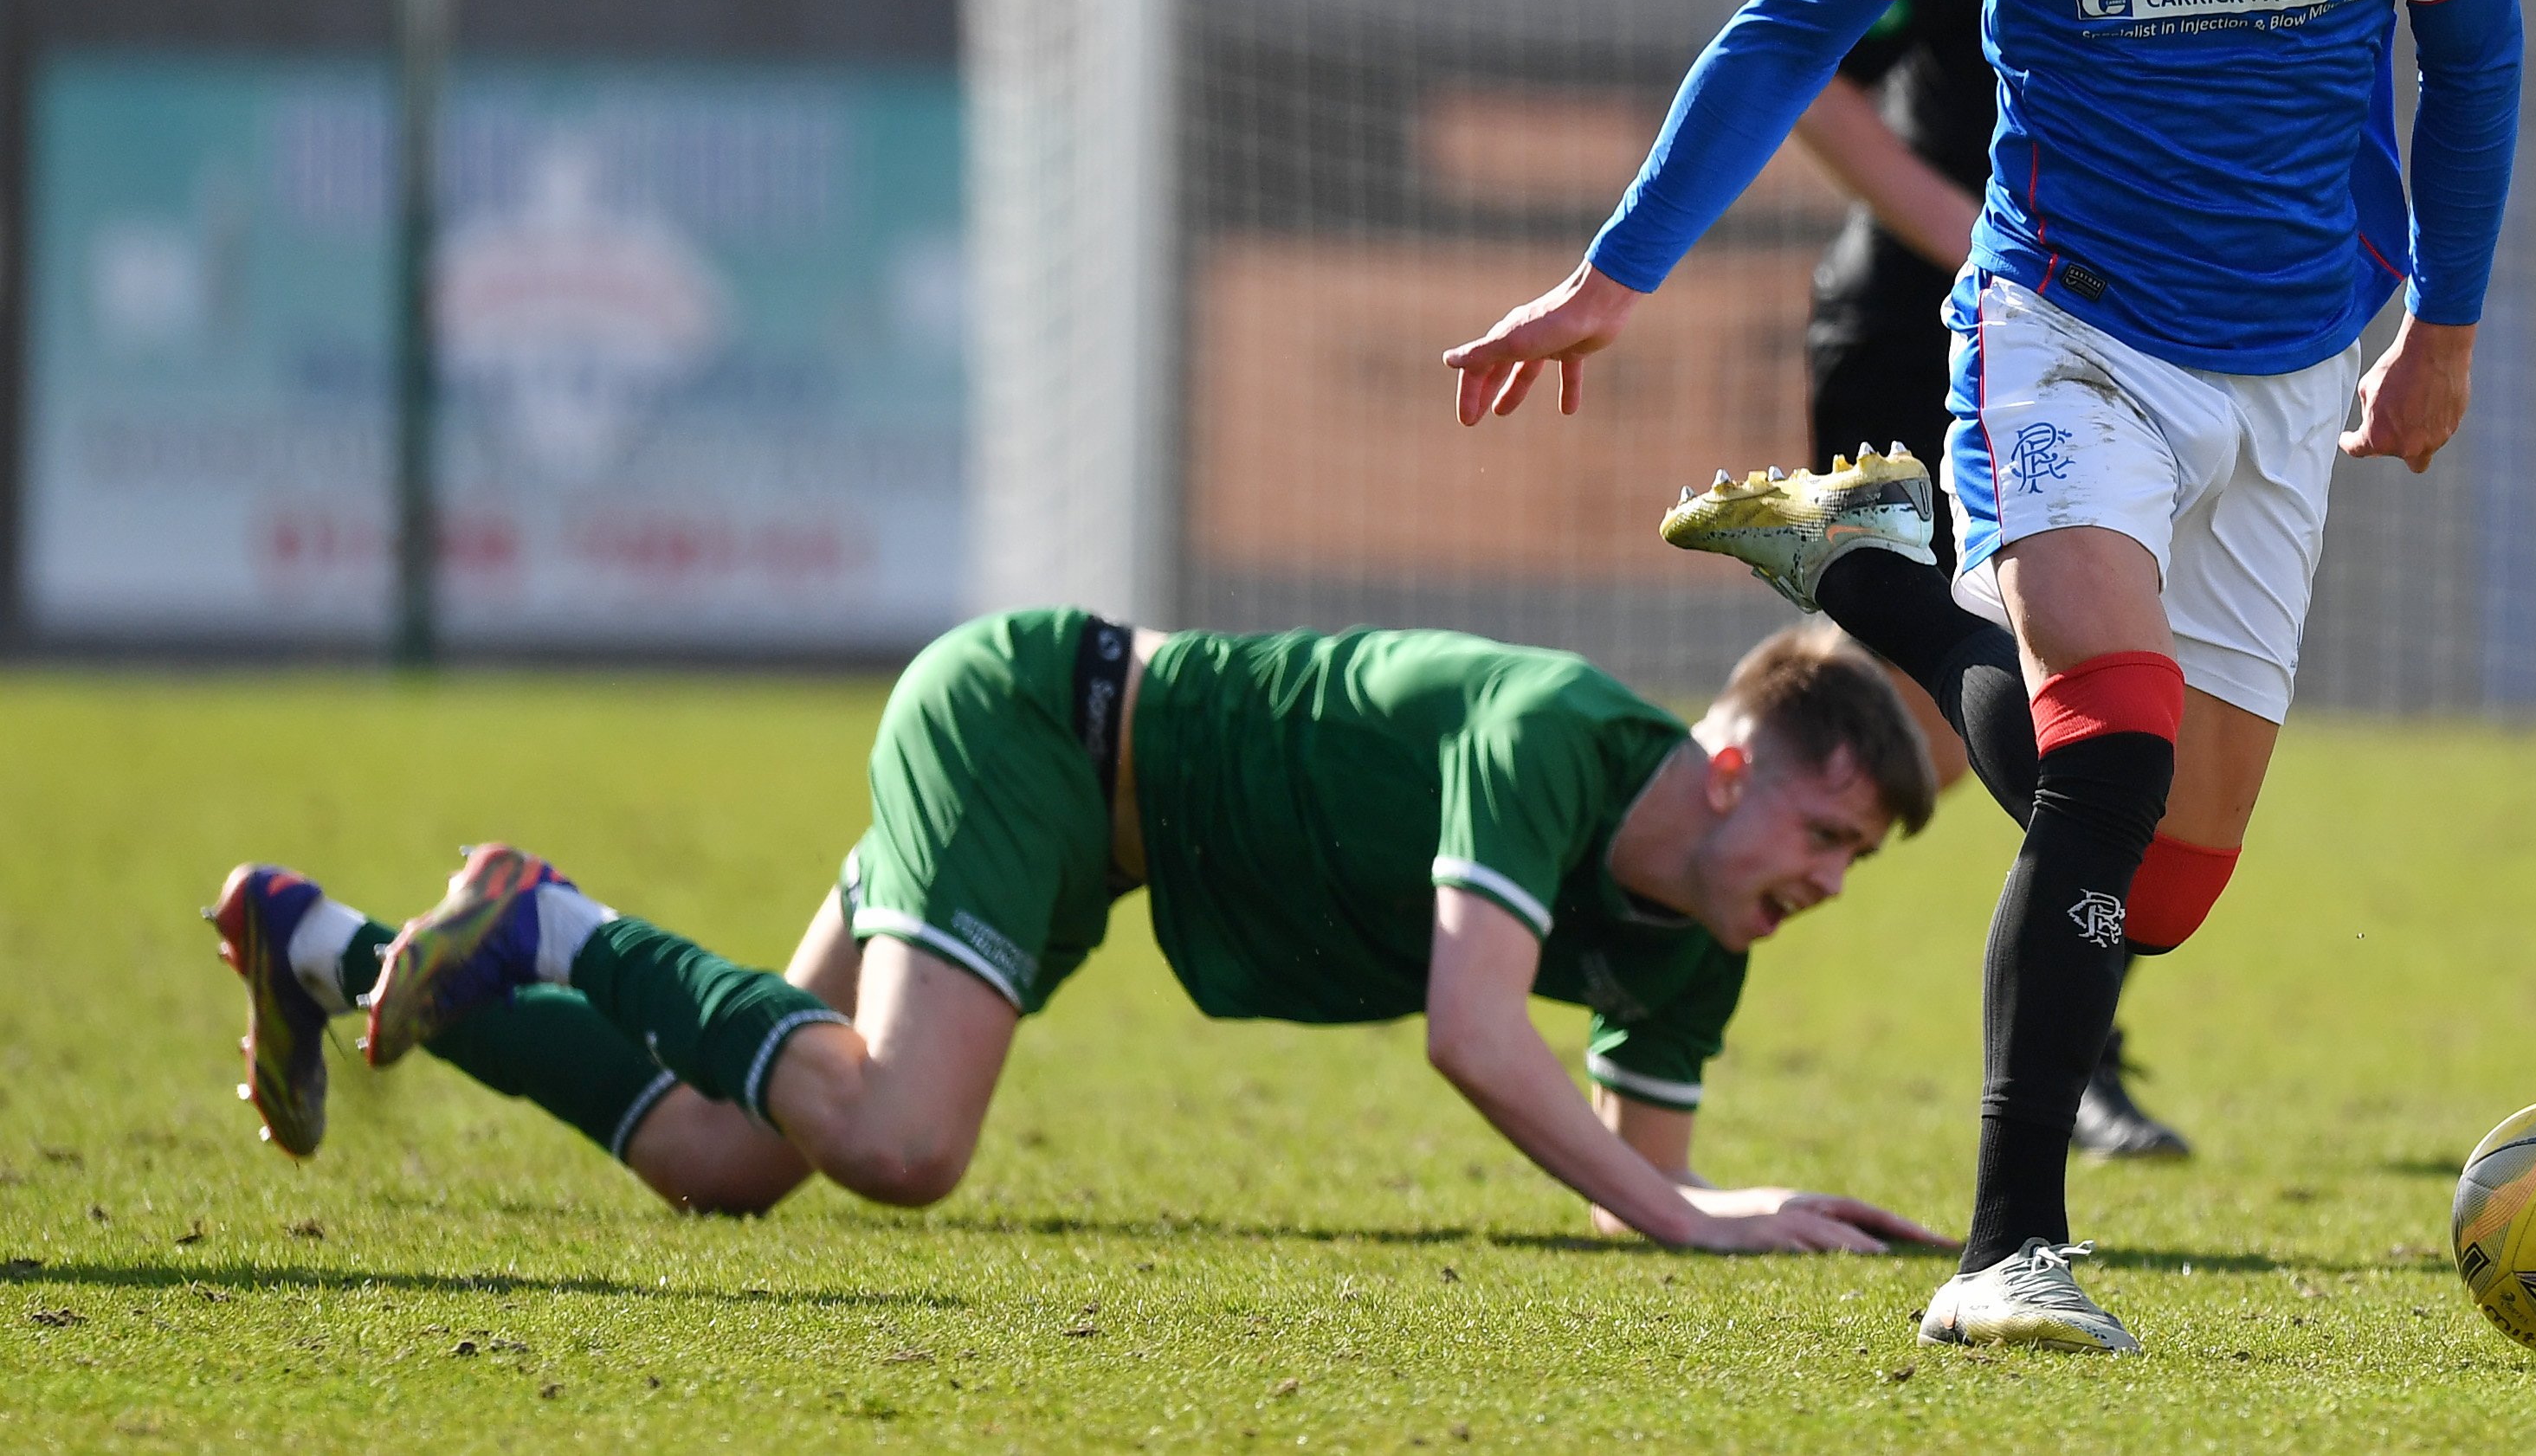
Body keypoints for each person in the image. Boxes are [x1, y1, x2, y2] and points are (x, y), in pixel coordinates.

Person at [1447, 0, 2522, 1351]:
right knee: (2101, 754)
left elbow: (2473, 62)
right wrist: (1616, 272)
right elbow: (1788, 30)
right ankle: (2004, 1253)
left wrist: (2436, 330)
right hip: (2062, 336)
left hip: (2290, 368)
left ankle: (1856, 564)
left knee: (2163, 881)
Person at [206, 614, 1950, 1255]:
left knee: (732, 1163)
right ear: (1723, 763)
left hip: (1087, 841)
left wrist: (1724, 1205)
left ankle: (325, 946)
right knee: (900, 1138)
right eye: (1818, 831)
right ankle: (551, 917)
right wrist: (1687, 1220)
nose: (1823, 880)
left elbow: (1628, 1185)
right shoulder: (1552, 736)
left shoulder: (1708, 921)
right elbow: (1472, 1032)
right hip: (1036, 723)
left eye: (1853, 861)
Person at [1791, 0, 2195, 1165]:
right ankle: (1657, 882)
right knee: (1956, 712)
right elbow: (1814, 79)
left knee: (2105, 711)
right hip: (1922, 343)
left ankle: (2078, 1059)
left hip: (2104, 350)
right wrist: (1992, 252)